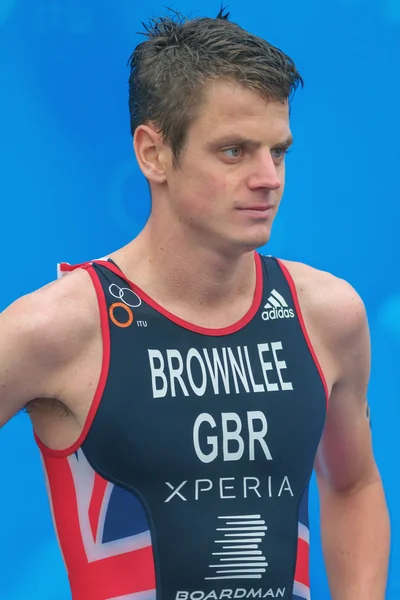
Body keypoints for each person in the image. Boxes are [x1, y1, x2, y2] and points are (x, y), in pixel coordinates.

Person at [0, 8, 390, 600]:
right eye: (234, 151)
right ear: (153, 153)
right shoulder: (57, 327)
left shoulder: (328, 314)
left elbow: (353, 484)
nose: (268, 178)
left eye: (278, 152)